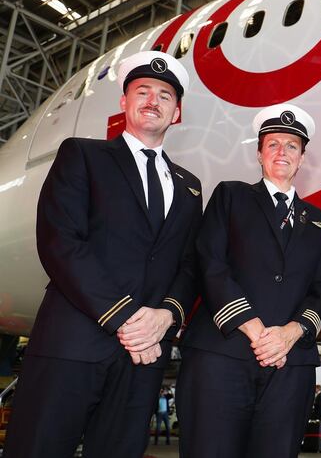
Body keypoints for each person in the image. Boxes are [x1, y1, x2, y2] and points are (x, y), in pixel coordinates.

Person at [3, 51, 203, 458]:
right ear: (124, 103)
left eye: (165, 95)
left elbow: (189, 265)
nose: (153, 100)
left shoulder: (189, 186)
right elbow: (61, 242)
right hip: (74, 344)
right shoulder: (83, 155)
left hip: (143, 356)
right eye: (142, 91)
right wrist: (126, 318)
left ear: (177, 112)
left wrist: (168, 315)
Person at [176, 103, 321, 458]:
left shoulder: (319, 221)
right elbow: (211, 263)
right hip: (223, 355)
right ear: (260, 154)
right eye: (274, 144)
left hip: (289, 365)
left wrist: (290, 333)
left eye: (292, 146)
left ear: (303, 158)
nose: (283, 152)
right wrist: (256, 331)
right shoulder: (231, 196)